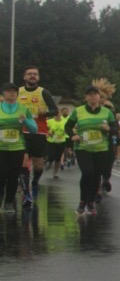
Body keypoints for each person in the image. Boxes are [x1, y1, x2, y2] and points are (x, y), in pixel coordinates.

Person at [65, 85, 117, 216]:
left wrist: (109, 129)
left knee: (96, 176)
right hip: (83, 148)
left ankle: (91, 202)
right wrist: (73, 135)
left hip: (101, 149)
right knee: (87, 173)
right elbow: (68, 126)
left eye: (95, 94)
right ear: (86, 97)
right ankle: (82, 201)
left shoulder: (107, 112)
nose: (93, 96)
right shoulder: (78, 111)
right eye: (90, 94)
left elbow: (116, 130)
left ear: (99, 97)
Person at [17, 65, 58, 206]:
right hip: (22, 132)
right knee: (23, 162)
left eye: (35, 74)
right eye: (29, 74)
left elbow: (55, 110)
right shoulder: (18, 92)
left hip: (39, 132)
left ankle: (34, 182)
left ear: (38, 77)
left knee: (38, 165)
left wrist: (45, 112)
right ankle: (26, 192)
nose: (32, 76)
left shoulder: (43, 92)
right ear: (24, 77)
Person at [0, 82, 38, 214]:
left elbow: (34, 129)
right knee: (1, 175)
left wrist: (26, 121)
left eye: (14, 91)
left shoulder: (23, 109)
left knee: (13, 176)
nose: (11, 93)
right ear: (3, 93)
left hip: (17, 148)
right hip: (1, 148)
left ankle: (9, 202)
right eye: (8, 91)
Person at [46, 109, 69, 179]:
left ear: (60, 114)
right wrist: (48, 132)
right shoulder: (49, 121)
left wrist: (66, 131)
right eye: (55, 113)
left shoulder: (65, 121)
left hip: (61, 142)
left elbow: (69, 129)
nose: (57, 114)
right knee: (51, 156)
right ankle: (50, 162)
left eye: (58, 113)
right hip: (51, 142)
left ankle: (55, 173)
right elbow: (44, 129)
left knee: (58, 158)